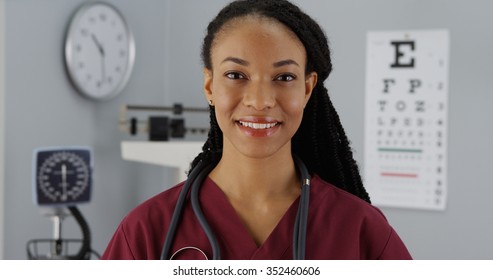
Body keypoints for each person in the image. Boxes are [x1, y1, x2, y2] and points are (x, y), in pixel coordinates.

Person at [102, 0, 412, 260]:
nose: (260, 101)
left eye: (284, 77)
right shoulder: (145, 232)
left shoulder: (359, 231)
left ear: (307, 88)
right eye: (236, 74)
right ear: (210, 85)